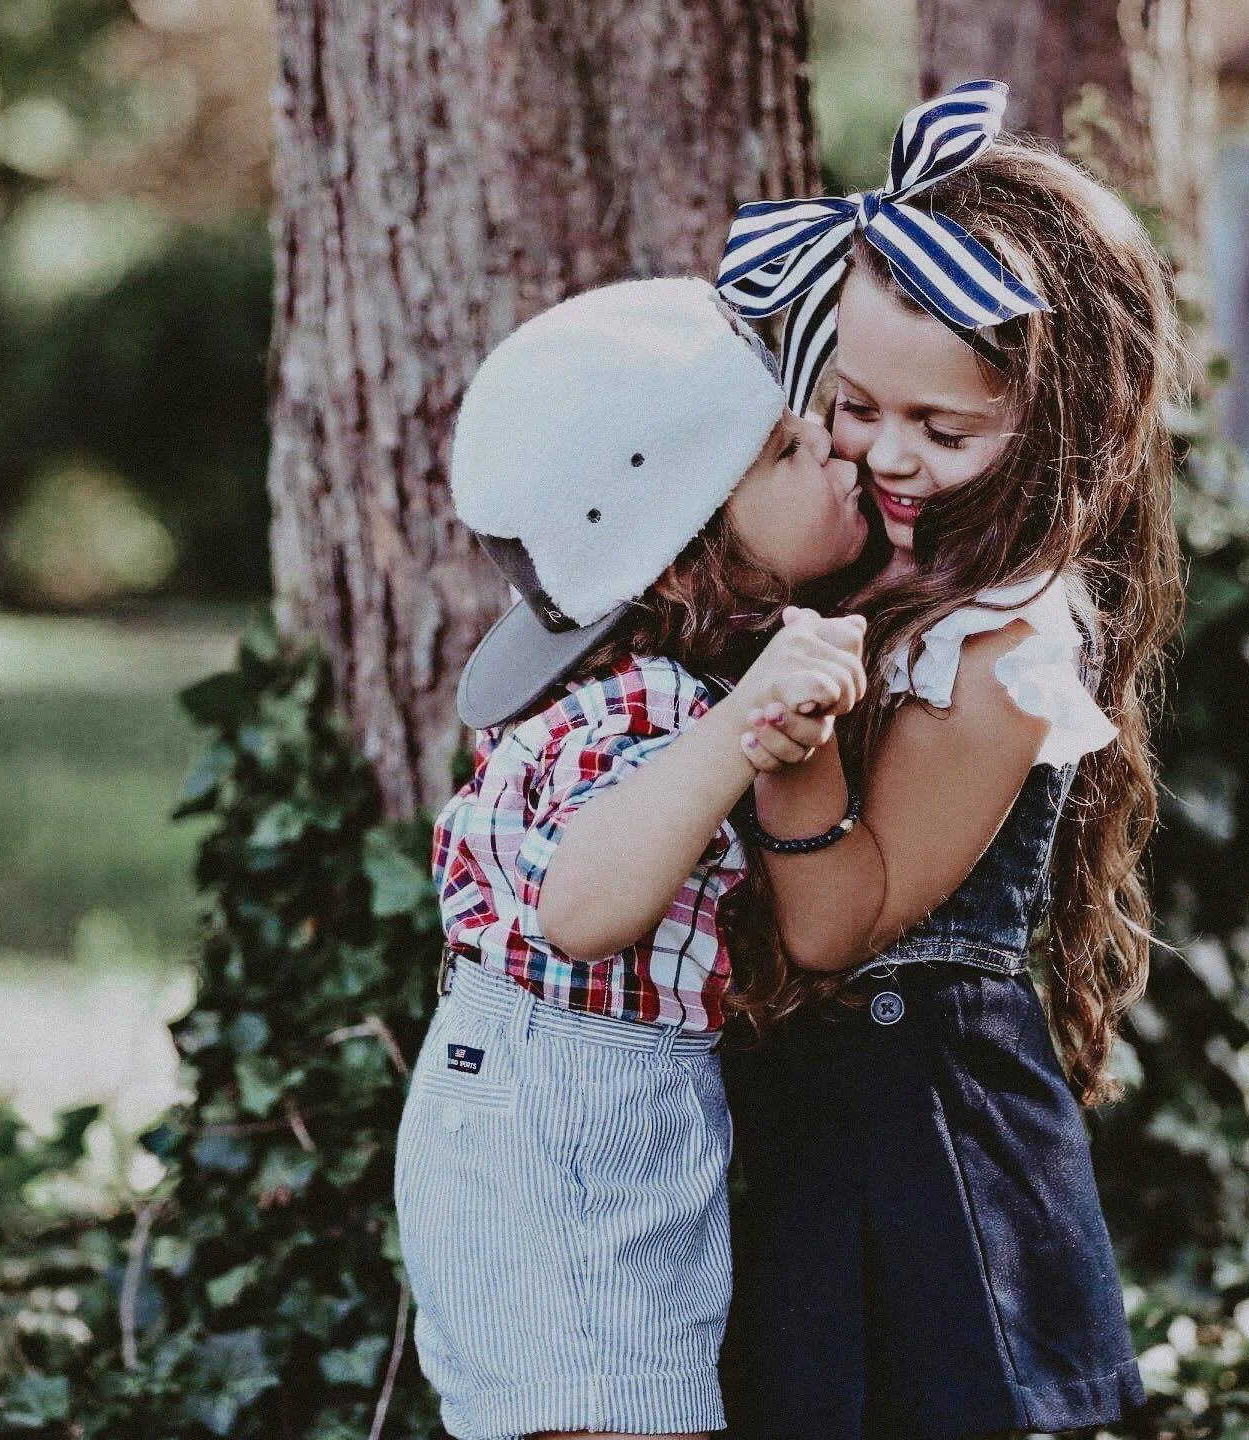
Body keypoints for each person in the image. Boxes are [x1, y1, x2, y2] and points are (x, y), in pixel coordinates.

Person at [711, 81, 1185, 1439]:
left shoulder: (1009, 642)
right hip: (813, 1124)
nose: (890, 456)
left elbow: (832, 921)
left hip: (928, 1149)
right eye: (857, 405)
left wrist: (784, 739)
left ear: (1056, 421)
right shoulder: (868, 555)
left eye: (948, 431)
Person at [394, 276, 872, 1440]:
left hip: (561, 1113)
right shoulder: (653, 708)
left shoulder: (637, 692)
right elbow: (583, 905)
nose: (841, 453)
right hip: (567, 1134)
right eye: (787, 451)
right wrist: (742, 729)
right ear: (676, 552)